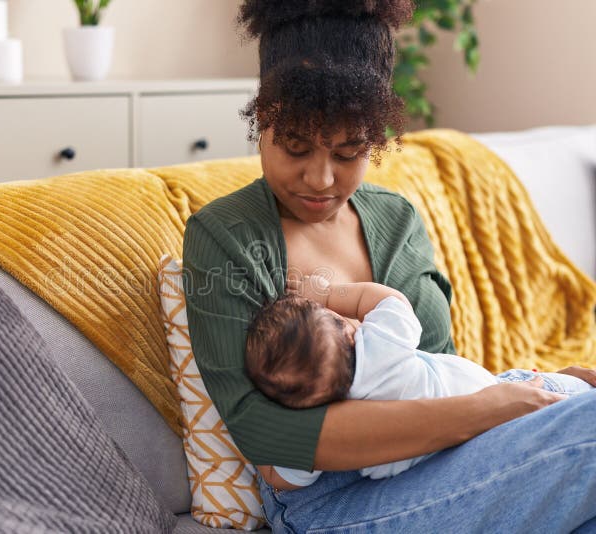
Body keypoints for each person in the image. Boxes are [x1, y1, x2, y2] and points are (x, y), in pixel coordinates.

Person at [181, 1, 596, 531]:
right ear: (261, 121)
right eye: (295, 146)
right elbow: (271, 443)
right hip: (336, 499)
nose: (321, 178)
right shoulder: (225, 237)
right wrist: (497, 410)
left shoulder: (395, 218)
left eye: (349, 151)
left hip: (452, 456)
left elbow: (435, 368)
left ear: (375, 139)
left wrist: (535, 395)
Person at [244, 281, 594, 483]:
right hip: (507, 400)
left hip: (445, 462)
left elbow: (286, 478)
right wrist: (329, 294)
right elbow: (389, 300)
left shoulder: (336, 420)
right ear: (349, 333)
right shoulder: (380, 345)